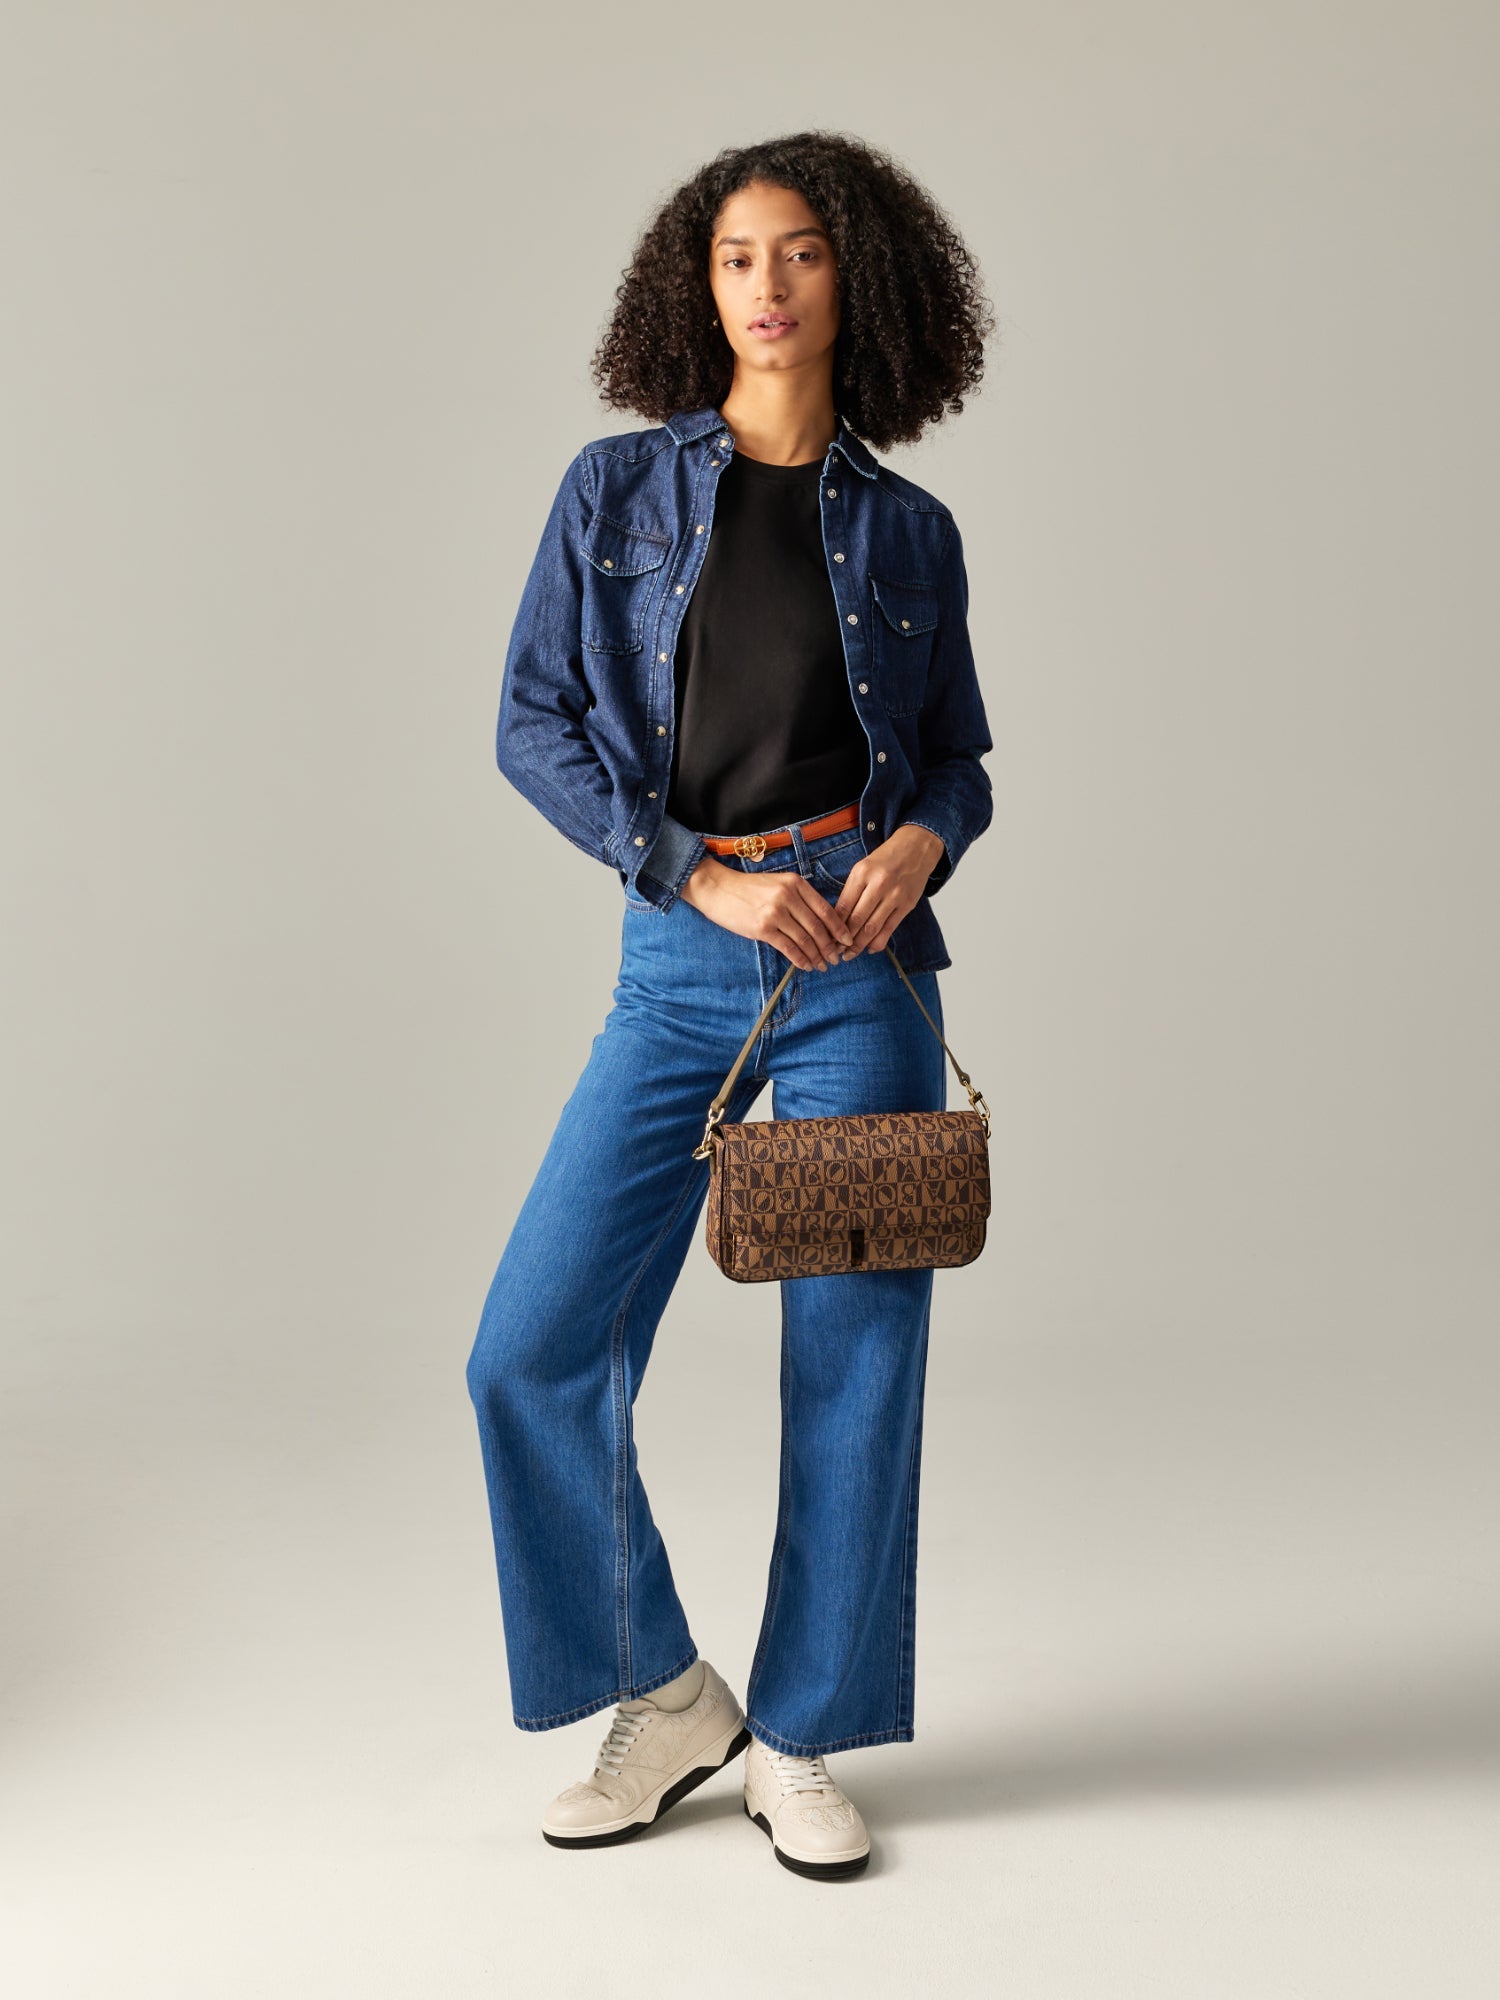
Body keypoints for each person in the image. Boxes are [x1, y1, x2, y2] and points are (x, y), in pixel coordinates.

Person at [465, 130, 996, 1881]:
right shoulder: (616, 493)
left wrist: (919, 841)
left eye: (802, 253)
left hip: (860, 965)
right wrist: (691, 872)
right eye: (736, 257)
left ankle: (805, 1735)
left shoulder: (910, 530)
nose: (767, 286)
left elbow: (961, 764)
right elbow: (533, 722)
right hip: (686, 954)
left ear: (861, 281)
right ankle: (669, 1693)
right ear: (696, 290)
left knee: (856, 1361)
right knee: (532, 1349)